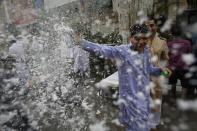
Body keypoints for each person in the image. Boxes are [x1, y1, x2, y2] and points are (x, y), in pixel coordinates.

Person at [74, 24, 169, 131]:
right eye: (137, 38)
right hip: (130, 102)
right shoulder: (122, 51)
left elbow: (148, 69)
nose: (141, 42)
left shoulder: (146, 51)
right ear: (131, 38)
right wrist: (82, 42)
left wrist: (161, 71)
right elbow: (102, 49)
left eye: (144, 39)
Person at [145, 15, 169, 130]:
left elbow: (166, 59)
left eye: (152, 25)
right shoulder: (140, 40)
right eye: (146, 25)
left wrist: (163, 70)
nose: (149, 27)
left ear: (156, 26)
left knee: (156, 99)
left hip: (157, 75)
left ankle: (154, 122)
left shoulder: (162, 42)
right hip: (143, 75)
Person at [167, 24, 192, 99]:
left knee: (172, 83)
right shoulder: (187, 43)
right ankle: (182, 99)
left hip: (172, 68)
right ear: (181, 32)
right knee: (185, 85)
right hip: (184, 68)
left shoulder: (169, 44)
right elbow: (189, 54)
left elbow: (167, 56)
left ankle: (173, 98)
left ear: (171, 33)